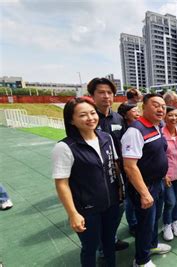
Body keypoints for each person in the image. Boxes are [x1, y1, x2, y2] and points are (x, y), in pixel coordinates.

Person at [52, 97, 121, 266]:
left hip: (111, 203)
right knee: (90, 247)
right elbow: (62, 184)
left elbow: (114, 165)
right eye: (83, 115)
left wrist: (119, 190)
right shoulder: (65, 147)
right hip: (87, 209)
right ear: (71, 120)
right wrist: (73, 214)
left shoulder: (106, 138)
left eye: (92, 113)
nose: (90, 118)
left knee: (109, 242)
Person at [122, 93, 171, 267]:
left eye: (163, 106)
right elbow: (130, 166)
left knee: (154, 220)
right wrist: (144, 193)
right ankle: (141, 260)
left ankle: (152, 245)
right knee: (145, 224)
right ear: (143, 106)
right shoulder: (135, 131)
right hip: (145, 187)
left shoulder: (155, 126)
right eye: (156, 105)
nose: (161, 109)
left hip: (157, 183)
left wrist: (163, 175)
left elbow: (156, 155)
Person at [87, 77, 129, 251]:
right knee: (96, 213)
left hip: (118, 172)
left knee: (119, 207)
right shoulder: (87, 118)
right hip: (94, 176)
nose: (106, 96)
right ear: (92, 95)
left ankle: (110, 238)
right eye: (101, 92)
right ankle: (100, 245)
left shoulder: (118, 118)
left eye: (109, 92)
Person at [117, 102, 141, 236]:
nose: (138, 113)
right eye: (134, 111)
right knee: (130, 199)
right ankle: (132, 223)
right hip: (125, 168)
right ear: (125, 115)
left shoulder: (139, 127)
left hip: (139, 168)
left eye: (138, 110)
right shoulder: (124, 130)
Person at [161, 106, 177, 241]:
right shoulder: (161, 134)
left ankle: (175, 220)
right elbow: (159, 157)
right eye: (170, 115)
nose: (174, 118)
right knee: (170, 201)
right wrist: (164, 175)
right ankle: (167, 224)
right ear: (165, 117)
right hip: (167, 175)